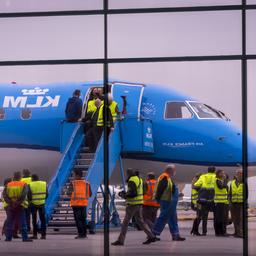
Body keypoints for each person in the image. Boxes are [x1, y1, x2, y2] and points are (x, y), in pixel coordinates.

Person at [112, 168, 156, 246]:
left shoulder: (132, 180)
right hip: (139, 203)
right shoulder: (140, 179)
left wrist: (124, 195)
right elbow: (143, 192)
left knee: (125, 223)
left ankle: (120, 240)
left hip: (132, 204)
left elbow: (133, 194)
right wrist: (128, 193)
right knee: (140, 222)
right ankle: (151, 236)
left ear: (128, 173)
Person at [152, 164, 185, 241]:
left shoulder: (168, 178)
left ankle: (175, 235)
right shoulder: (164, 177)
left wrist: (178, 194)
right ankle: (153, 233)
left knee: (173, 218)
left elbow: (169, 189)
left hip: (170, 202)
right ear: (171, 171)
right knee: (163, 217)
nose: (175, 172)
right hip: (167, 201)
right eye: (174, 170)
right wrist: (157, 198)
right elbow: (160, 189)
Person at [3, 171, 33, 242]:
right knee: (22, 222)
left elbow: (5, 195)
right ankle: (25, 238)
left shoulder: (8, 185)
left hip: (10, 206)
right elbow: (24, 195)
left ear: (14, 176)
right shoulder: (23, 184)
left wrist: (11, 203)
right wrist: (18, 203)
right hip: (20, 206)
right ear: (20, 177)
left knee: (10, 222)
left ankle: (8, 238)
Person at [193, 166, 216, 236]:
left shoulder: (203, 176)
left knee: (202, 216)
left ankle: (203, 232)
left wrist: (201, 190)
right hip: (212, 200)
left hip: (203, 200)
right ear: (214, 171)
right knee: (217, 216)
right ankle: (218, 231)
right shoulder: (216, 177)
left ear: (208, 170)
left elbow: (196, 185)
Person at [69, 169, 92, 239]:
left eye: (73, 174)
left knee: (78, 220)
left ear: (77, 175)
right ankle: (84, 234)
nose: (73, 176)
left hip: (76, 204)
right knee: (83, 220)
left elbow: (69, 194)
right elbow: (90, 194)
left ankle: (80, 234)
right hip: (84, 204)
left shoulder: (72, 183)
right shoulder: (87, 183)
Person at [28, 174, 48, 239]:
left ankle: (35, 235)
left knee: (34, 219)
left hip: (33, 204)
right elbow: (47, 194)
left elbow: (29, 196)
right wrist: (42, 199)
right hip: (42, 203)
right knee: (43, 220)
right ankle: (43, 235)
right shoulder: (44, 183)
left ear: (32, 178)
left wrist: (30, 202)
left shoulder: (30, 185)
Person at [213, 169, 229, 236]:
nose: (223, 175)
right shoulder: (217, 181)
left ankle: (220, 232)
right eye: (222, 173)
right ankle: (221, 232)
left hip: (223, 202)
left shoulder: (221, 181)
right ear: (218, 174)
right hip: (219, 202)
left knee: (222, 218)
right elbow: (221, 187)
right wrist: (225, 181)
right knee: (220, 218)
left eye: (223, 173)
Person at [230, 169, 244, 238]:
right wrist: (230, 202)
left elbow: (246, 194)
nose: (240, 175)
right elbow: (230, 193)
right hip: (233, 203)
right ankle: (236, 232)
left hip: (241, 203)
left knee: (240, 218)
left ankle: (240, 233)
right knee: (234, 218)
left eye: (241, 173)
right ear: (236, 175)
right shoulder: (232, 183)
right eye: (239, 173)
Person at [21, 169, 32, 233]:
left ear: (23, 173)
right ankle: (28, 229)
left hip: (22, 200)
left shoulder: (21, 180)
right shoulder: (32, 179)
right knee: (28, 216)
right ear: (29, 173)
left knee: (22, 216)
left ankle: (22, 229)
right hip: (30, 200)